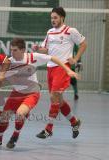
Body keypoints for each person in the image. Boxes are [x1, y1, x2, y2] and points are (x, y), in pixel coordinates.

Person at [0, 38, 79, 148]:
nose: (12, 53)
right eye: (11, 50)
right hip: (16, 93)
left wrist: (68, 70)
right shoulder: (9, 62)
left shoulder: (32, 57)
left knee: (20, 113)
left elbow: (54, 58)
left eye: (15, 50)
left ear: (23, 50)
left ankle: (15, 136)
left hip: (31, 93)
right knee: (3, 118)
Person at [32, 7, 87, 139]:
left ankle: (48, 129)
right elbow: (46, 50)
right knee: (58, 100)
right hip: (50, 68)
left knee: (54, 96)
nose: (53, 20)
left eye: (55, 17)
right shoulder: (50, 32)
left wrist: (75, 59)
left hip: (62, 68)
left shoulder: (70, 31)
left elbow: (84, 44)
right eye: (51, 18)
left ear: (62, 17)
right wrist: (38, 48)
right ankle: (74, 122)